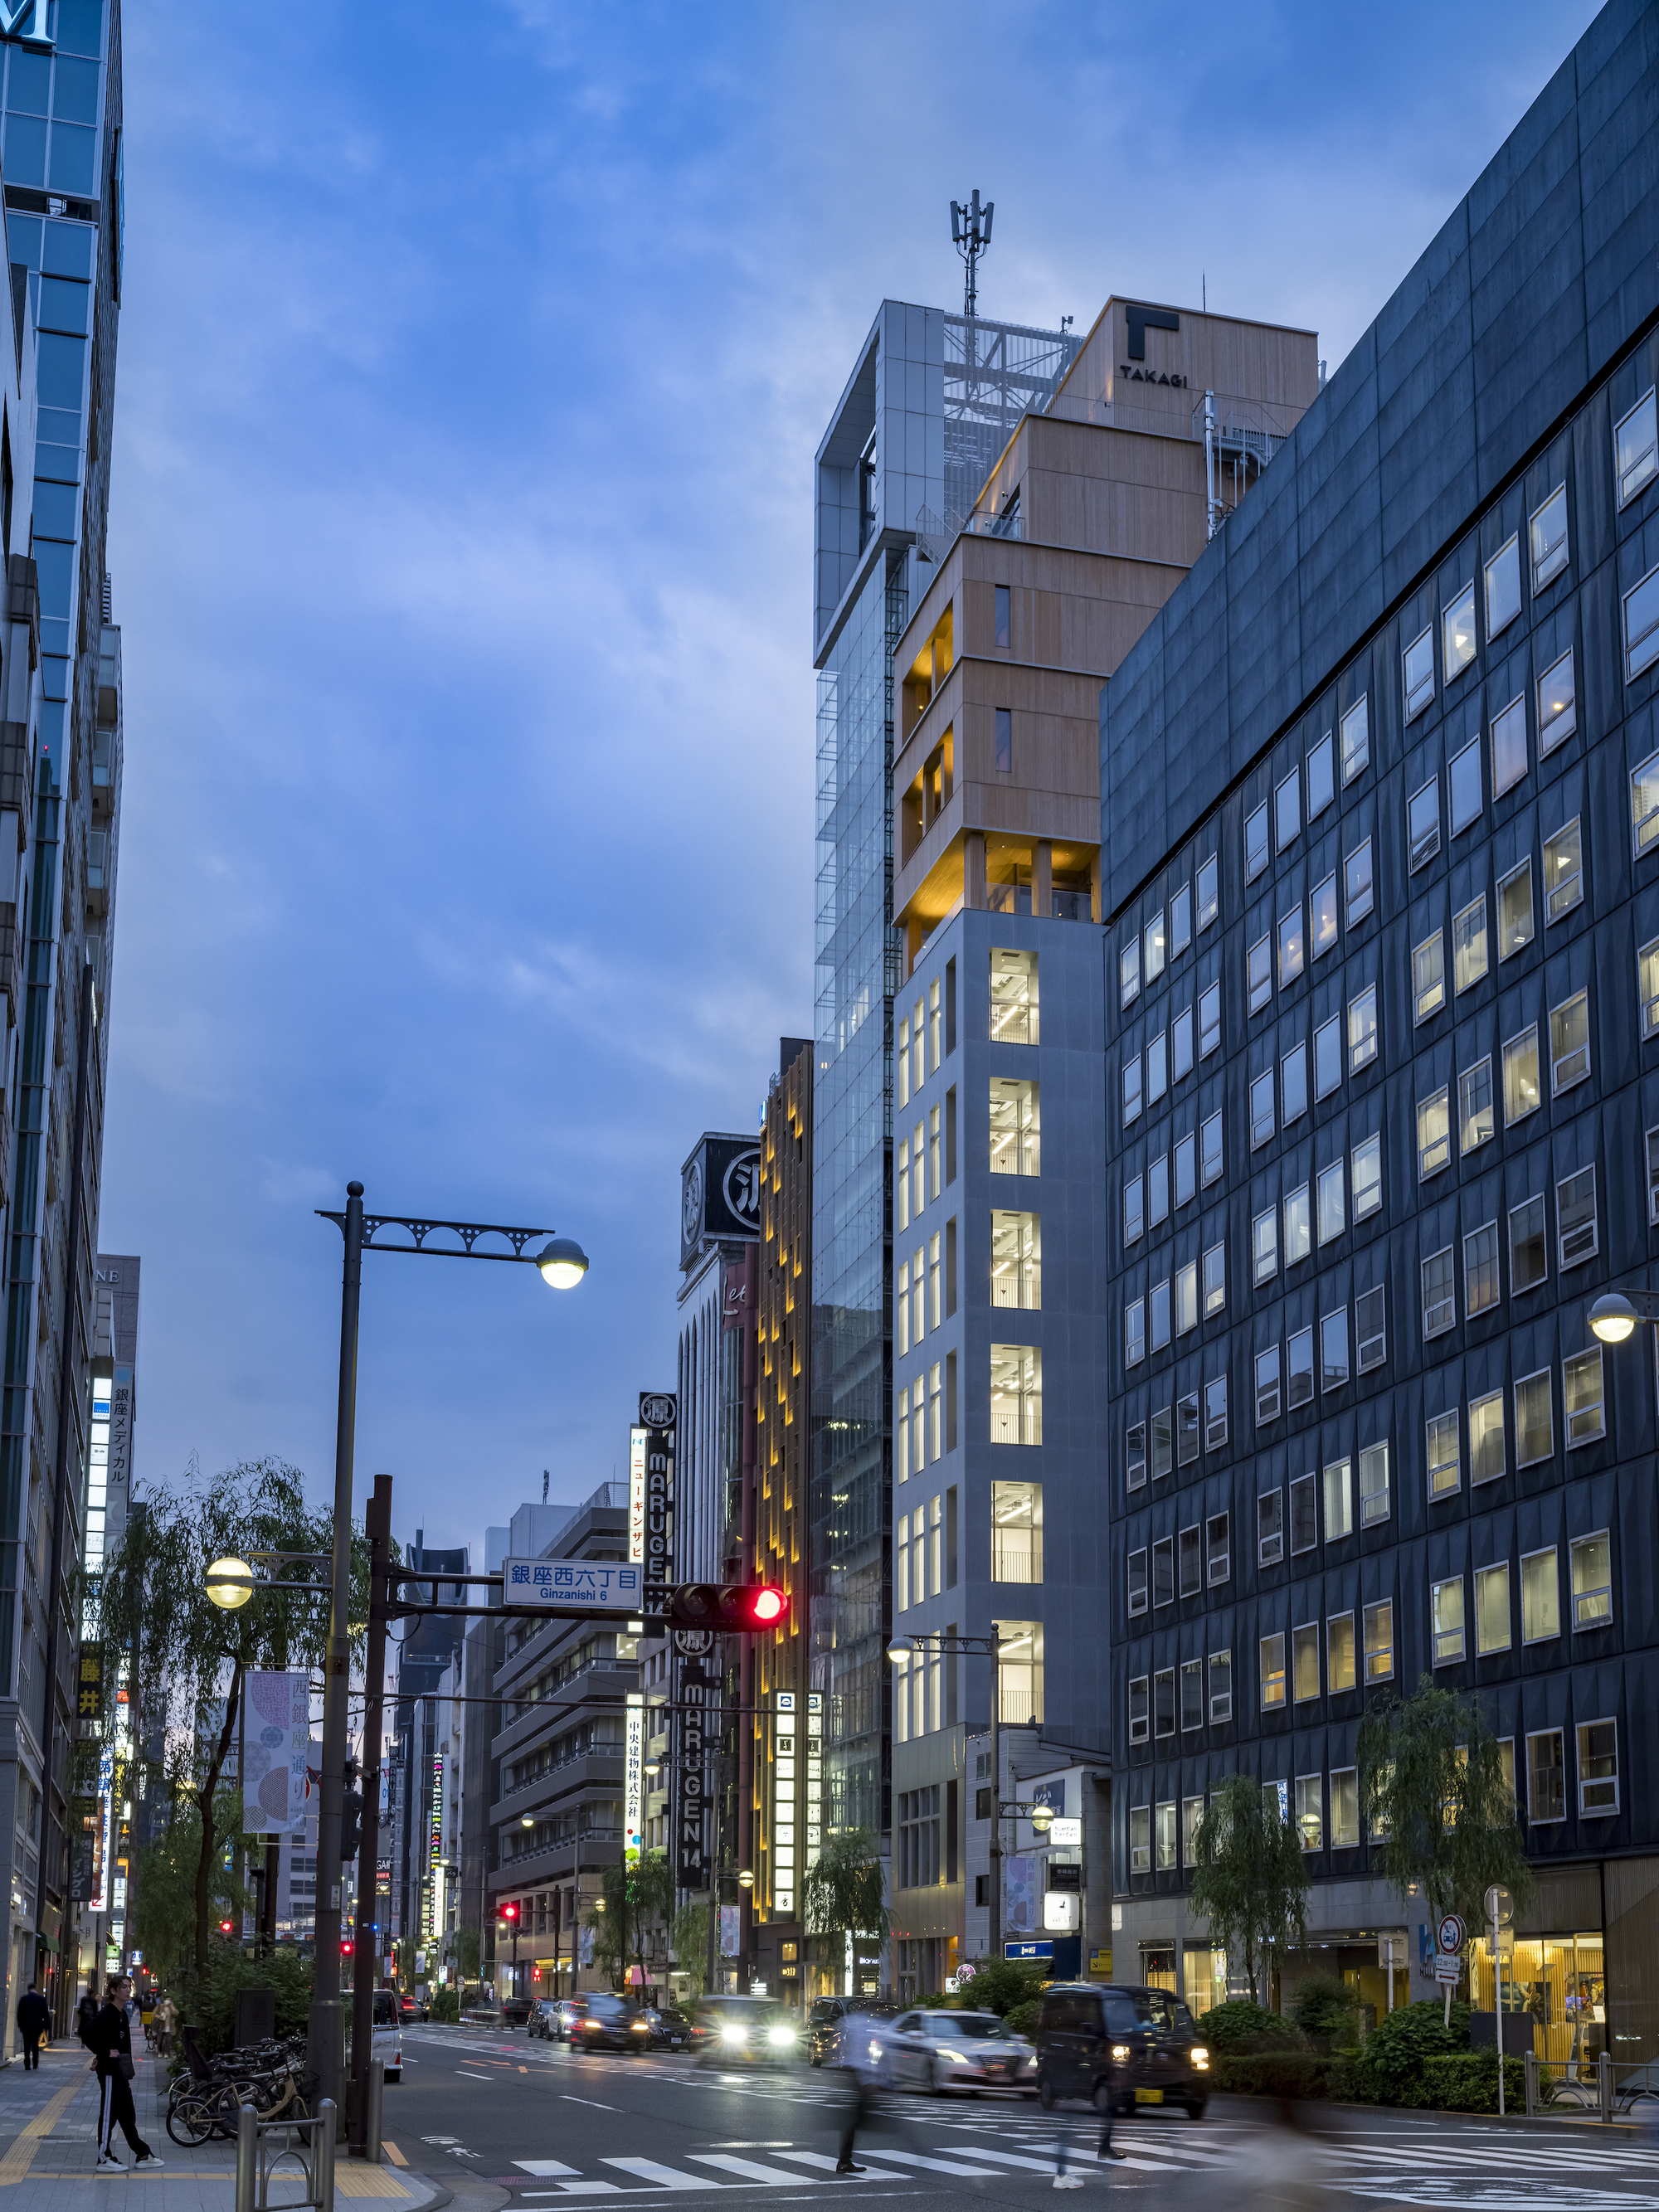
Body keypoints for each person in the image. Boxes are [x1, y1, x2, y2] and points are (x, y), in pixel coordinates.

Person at [89, 1976, 162, 2171]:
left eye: (129, 1987)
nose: (127, 1990)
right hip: (111, 2073)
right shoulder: (108, 2013)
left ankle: (143, 2154)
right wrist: (103, 2053)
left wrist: (100, 2054)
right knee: (109, 2116)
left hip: (120, 2072)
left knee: (127, 2113)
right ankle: (104, 2158)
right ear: (113, 1991)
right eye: (123, 1987)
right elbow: (87, 2031)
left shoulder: (121, 2014)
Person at [14, 1981, 47, 2070]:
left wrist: (20, 2025)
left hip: (26, 2027)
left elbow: (19, 2014)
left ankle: (27, 2063)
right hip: (37, 2026)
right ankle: (35, 2063)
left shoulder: (24, 1999)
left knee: (27, 2045)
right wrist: (46, 2026)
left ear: (28, 1989)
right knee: (35, 2044)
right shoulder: (41, 1999)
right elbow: (45, 2013)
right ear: (35, 1988)